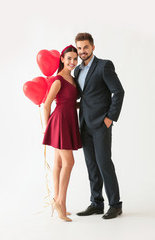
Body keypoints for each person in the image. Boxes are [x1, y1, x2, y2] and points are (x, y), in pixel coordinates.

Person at [74, 33, 125, 219]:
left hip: (101, 124)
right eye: (79, 48)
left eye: (85, 47)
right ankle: (96, 203)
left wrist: (110, 118)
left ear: (93, 47)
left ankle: (115, 204)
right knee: (91, 165)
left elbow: (118, 92)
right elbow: (85, 96)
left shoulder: (104, 66)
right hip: (84, 124)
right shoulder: (77, 71)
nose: (82, 51)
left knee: (104, 163)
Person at [42, 45, 82, 222]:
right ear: (62, 59)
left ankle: (56, 200)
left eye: (75, 59)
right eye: (69, 59)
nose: (73, 62)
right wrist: (47, 127)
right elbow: (46, 104)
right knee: (69, 162)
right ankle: (61, 203)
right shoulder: (59, 79)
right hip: (60, 122)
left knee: (58, 163)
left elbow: (70, 102)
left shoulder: (72, 79)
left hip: (69, 120)